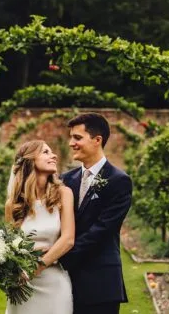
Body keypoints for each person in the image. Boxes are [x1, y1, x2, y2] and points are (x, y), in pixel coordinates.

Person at [59, 112, 132, 314]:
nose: (71, 143)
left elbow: (102, 230)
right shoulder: (65, 179)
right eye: (71, 137)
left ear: (97, 140)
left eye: (77, 138)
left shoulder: (119, 180)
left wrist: (59, 259)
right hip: (64, 283)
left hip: (101, 283)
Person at [5, 140, 75, 314]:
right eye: (45, 152)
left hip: (54, 283)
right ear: (29, 160)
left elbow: (68, 239)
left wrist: (35, 267)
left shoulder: (64, 194)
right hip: (22, 286)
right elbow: (10, 246)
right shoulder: (13, 204)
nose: (54, 156)